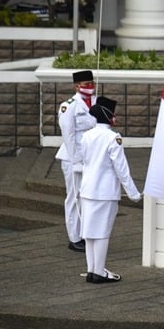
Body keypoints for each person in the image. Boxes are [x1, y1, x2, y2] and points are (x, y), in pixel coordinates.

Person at [80, 97, 142, 283]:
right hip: (104, 192)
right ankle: (98, 272)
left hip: (87, 189)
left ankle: (92, 270)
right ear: (109, 116)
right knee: (102, 233)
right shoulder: (113, 138)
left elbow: (84, 160)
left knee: (89, 232)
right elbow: (121, 169)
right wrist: (133, 193)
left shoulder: (86, 135)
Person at [55, 70, 97, 252]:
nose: (90, 86)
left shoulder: (96, 102)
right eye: (86, 84)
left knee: (88, 196)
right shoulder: (68, 106)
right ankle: (74, 237)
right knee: (74, 197)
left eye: (91, 83)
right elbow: (68, 135)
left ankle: (86, 232)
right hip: (72, 158)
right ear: (76, 86)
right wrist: (76, 161)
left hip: (92, 157)